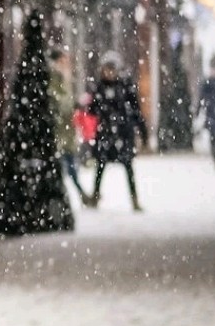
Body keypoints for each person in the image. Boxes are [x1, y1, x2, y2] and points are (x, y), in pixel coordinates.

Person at [85, 52, 147, 211]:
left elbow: (136, 111)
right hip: (105, 133)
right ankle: (95, 195)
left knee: (128, 167)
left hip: (123, 134)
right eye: (107, 70)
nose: (110, 73)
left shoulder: (126, 87)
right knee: (100, 166)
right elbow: (92, 111)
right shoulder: (99, 88)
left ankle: (134, 199)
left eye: (112, 70)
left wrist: (142, 131)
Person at [48, 48, 87, 204]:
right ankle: (76, 195)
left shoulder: (63, 77)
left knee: (69, 164)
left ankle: (79, 194)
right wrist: (71, 105)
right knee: (66, 165)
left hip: (66, 128)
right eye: (63, 60)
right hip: (59, 128)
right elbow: (58, 101)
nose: (66, 64)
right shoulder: (55, 77)